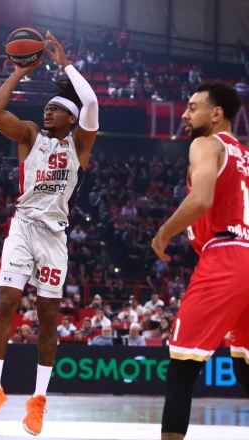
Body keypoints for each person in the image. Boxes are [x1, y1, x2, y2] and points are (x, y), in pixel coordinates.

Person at [0, 30, 99, 436]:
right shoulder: (30, 135)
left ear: (71, 117)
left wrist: (66, 65)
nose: (48, 111)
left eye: (56, 108)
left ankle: (38, 400)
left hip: (55, 236)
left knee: (48, 318)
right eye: (46, 107)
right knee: (7, 303)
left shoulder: (80, 145)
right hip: (23, 226)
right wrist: (18, 72)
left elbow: (92, 102)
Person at [152, 82, 249, 440]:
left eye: (193, 107)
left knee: (182, 368)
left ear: (217, 113)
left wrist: (163, 233)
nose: (185, 114)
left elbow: (201, 200)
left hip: (225, 257)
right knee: (244, 367)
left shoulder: (206, 144)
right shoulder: (246, 155)